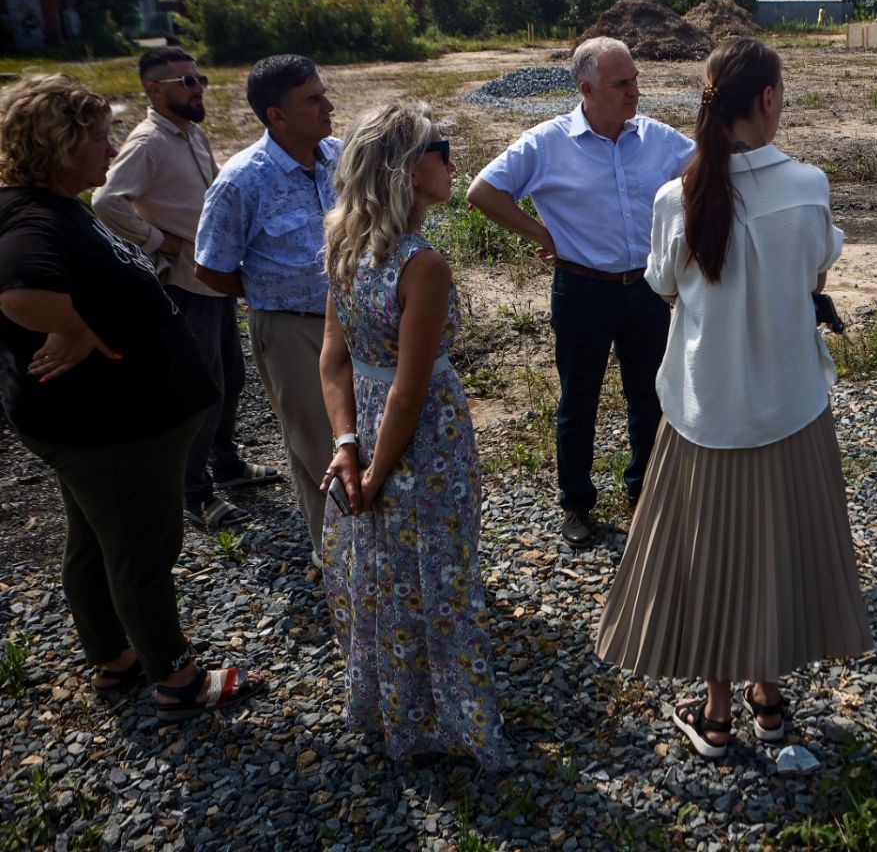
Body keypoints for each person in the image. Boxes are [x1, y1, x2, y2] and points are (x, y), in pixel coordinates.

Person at [595, 38, 871, 759]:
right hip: (790, 407)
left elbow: (661, 288)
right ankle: (769, 699)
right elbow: (813, 274)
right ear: (769, 100)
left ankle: (715, 715)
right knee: (773, 553)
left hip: (702, 413)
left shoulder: (672, 197)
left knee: (709, 561)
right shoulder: (808, 185)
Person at [0, 75, 265, 721]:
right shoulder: (30, 215)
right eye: (95, 136)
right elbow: (18, 291)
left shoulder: (51, 202)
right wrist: (75, 328)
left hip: (108, 421)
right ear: (59, 145)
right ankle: (177, 679)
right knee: (144, 552)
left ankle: (113, 659)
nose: (109, 146)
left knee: (98, 542)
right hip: (107, 424)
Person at [317, 101, 503, 767]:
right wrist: (375, 472)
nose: (453, 163)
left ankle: (391, 703)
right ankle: (448, 719)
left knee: (381, 572)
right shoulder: (422, 264)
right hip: (422, 440)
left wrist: (346, 447)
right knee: (440, 574)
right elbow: (410, 389)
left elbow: (333, 361)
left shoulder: (343, 240)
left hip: (364, 425)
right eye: (441, 148)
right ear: (405, 168)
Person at [468, 37, 694, 549]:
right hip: (582, 290)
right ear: (587, 89)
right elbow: (482, 191)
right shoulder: (547, 144)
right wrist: (541, 234)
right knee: (578, 401)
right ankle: (575, 503)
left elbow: (706, 171)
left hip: (646, 290)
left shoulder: (657, 139)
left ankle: (646, 493)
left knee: (652, 395)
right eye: (622, 84)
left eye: (635, 79)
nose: (635, 91)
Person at [91, 47, 280, 531]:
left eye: (199, 80)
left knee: (231, 379)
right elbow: (106, 200)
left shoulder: (190, 134)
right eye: (185, 82)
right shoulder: (148, 142)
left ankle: (228, 466)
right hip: (184, 284)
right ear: (154, 90)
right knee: (203, 388)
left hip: (210, 277)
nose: (197, 89)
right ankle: (193, 493)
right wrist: (162, 241)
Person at [196, 54, 342, 578]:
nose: (328, 106)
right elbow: (210, 268)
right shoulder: (241, 181)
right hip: (291, 328)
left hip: (351, 319)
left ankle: (370, 545)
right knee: (316, 443)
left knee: (361, 433)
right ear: (276, 116)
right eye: (313, 99)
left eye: (324, 93)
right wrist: (268, 294)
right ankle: (338, 558)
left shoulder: (338, 158)